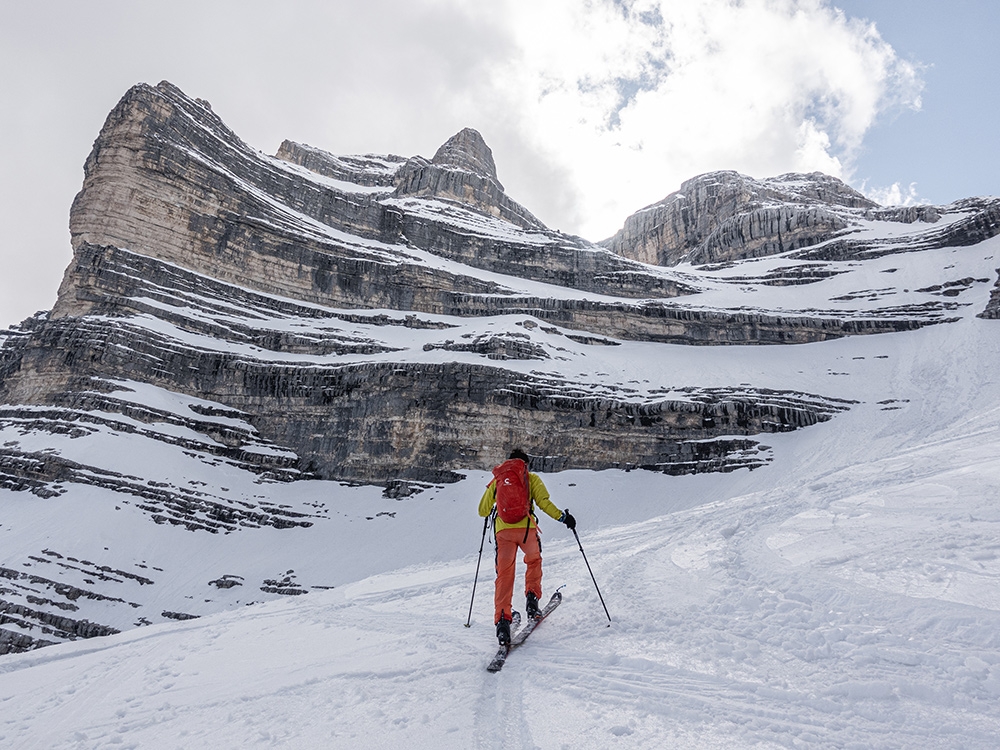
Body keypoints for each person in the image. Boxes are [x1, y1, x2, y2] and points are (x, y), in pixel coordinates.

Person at [478, 448, 576, 645]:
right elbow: (544, 503)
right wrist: (564, 518)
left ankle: (503, 624)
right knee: (534, 561)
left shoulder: (498, 479)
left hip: (503, 533)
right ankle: (532, 601)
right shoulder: (531, 479)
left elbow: (482, 511)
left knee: (504, 576)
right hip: (527, 531)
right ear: (525, 464)